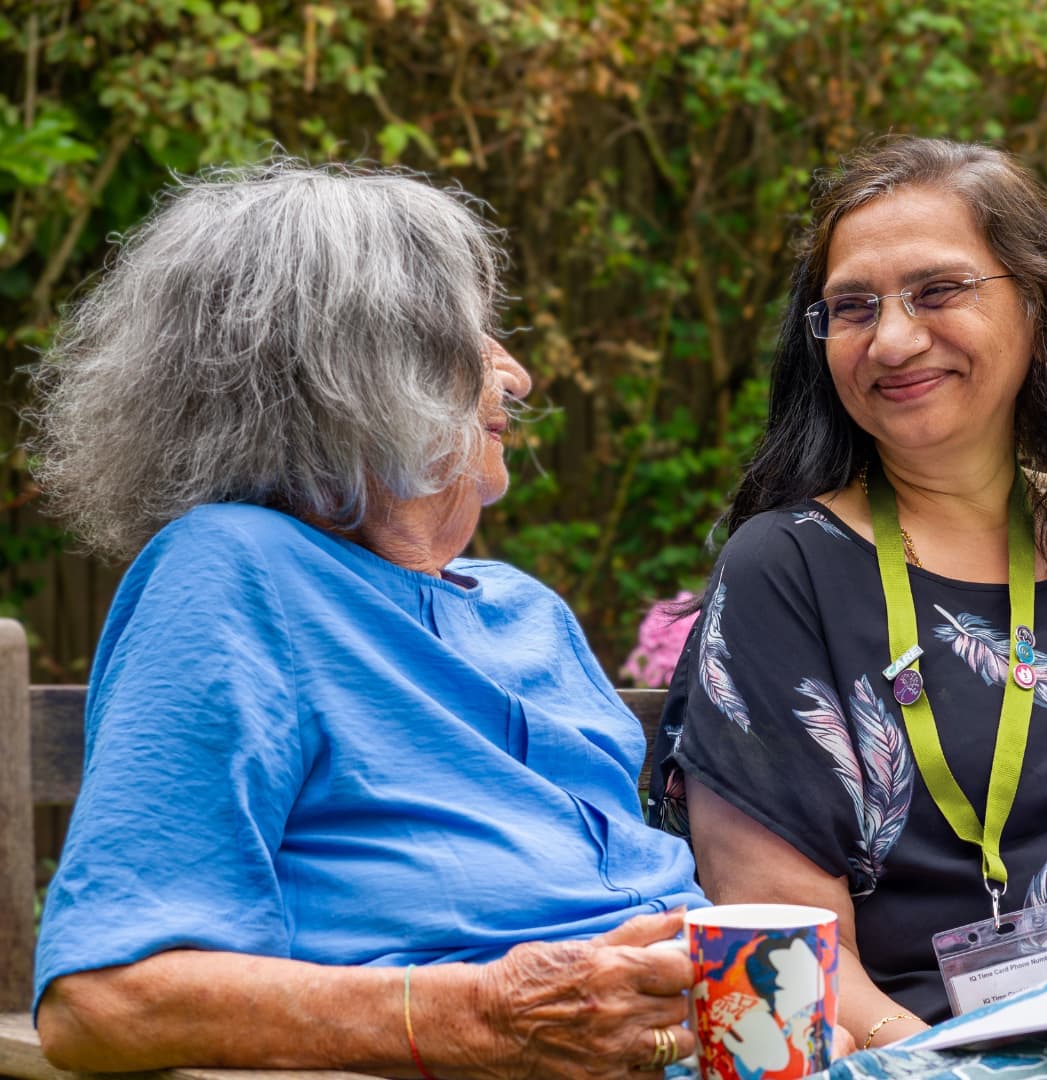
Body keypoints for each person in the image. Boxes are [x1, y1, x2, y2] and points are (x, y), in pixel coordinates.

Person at [29, 160, 709, 1079]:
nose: (516, 371)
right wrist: (481, 1016)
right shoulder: (234, 572)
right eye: (474, 339)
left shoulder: (525, 612)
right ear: (362, 370)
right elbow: (105, 998)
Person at [652, 136, 1047, 1052]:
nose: (895, 338)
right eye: (853, 307)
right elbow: (782, 944)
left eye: (938, 291)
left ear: (1035, 305)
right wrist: (936, 1068)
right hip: (944, 1052)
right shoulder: (786, 572)